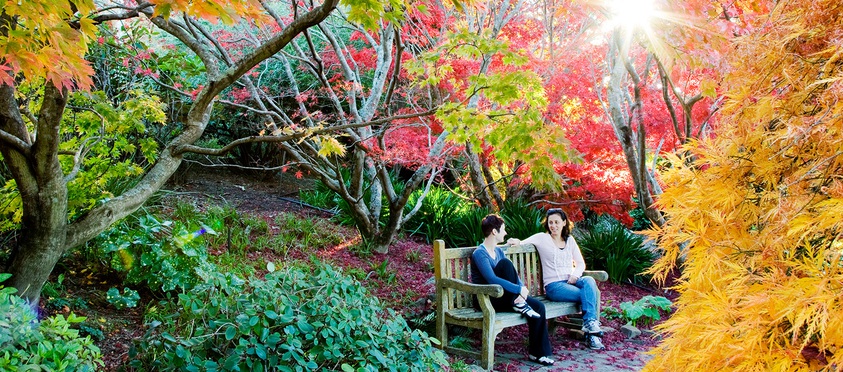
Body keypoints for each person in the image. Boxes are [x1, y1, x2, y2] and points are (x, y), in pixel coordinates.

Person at [512, 208, 606, 350]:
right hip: (554, 286)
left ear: (564, 223)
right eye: (550, 222)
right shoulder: (542, 238)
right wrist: (514, 241)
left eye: (556, 222)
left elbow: (580, 263)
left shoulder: (570, 240)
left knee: (589, 281)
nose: (553, 226)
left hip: (571, 281)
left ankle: (590, 325)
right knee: (588, 294)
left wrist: (575, 275)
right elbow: (522, 242)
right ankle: (592, 333)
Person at [470, 214, 555, 366]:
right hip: (486, 299)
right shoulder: (479, 253)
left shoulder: (498, 251)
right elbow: (492, 279)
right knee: (505, 264)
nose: (506, 233)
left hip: (505, 297)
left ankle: (538, 354)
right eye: (503, 229)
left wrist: (522, 289)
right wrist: (518, 289)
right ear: (494, 232)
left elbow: (513, 275)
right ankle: (518, 303)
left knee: (539, 307)